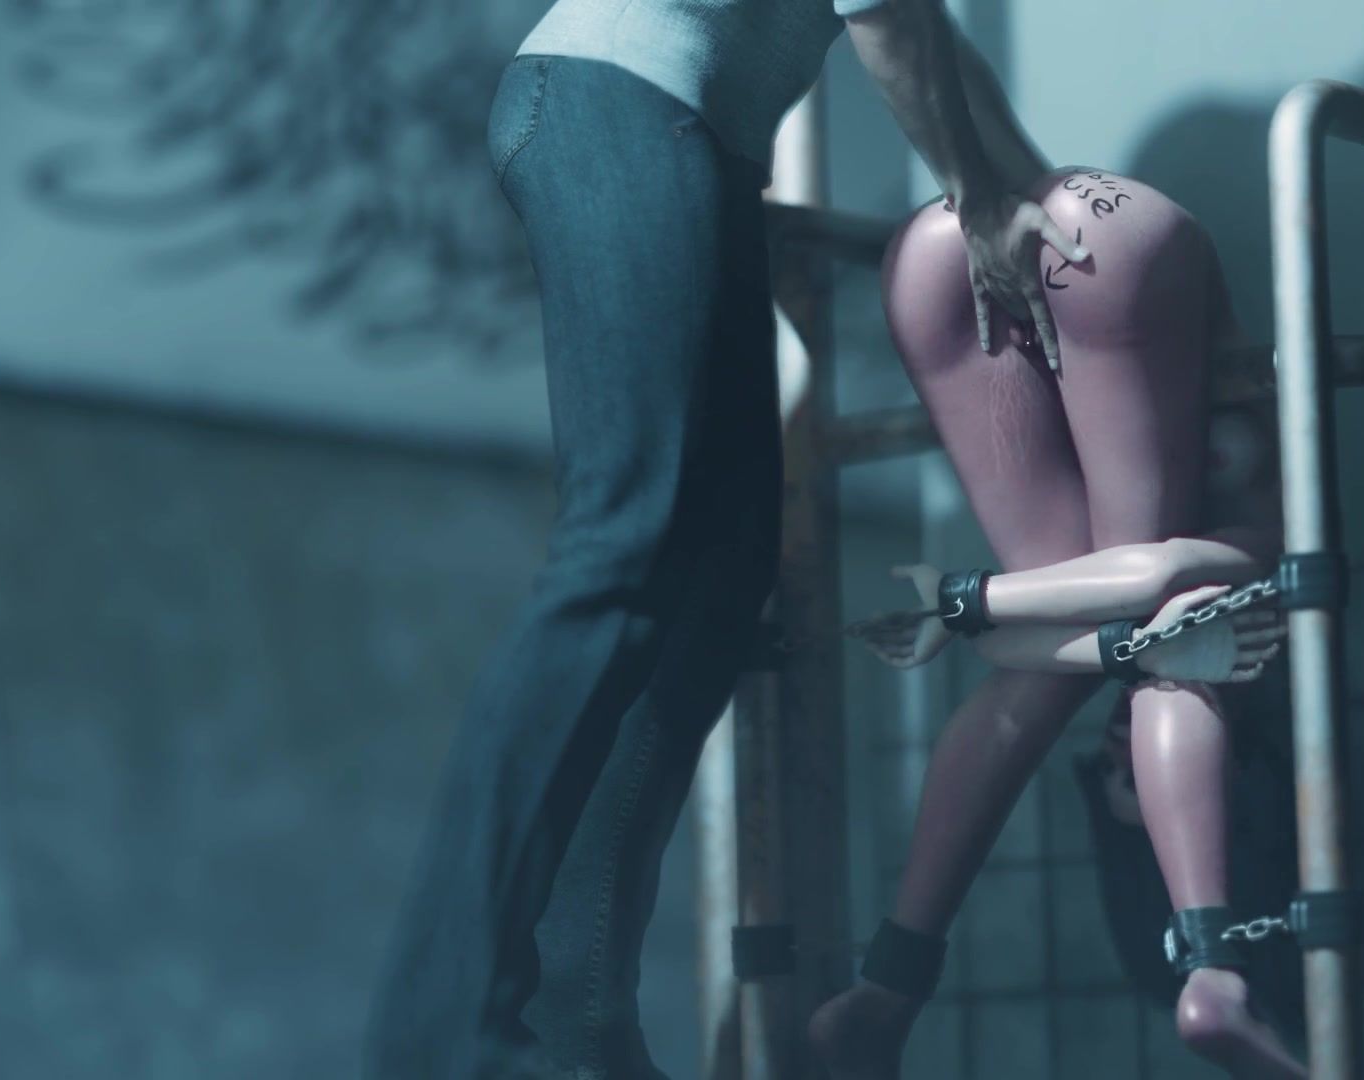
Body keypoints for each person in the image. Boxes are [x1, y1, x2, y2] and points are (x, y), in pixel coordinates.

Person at [361, 2, 1081, 1076]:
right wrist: (980, 203)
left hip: (682, 138)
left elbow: (926, 33)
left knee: (721, 573)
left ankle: (581, 1021)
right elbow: (886, 23)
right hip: (612, 107)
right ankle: (438, 1028)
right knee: (622, 544)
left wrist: (1042, 194)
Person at [808, 174, 1307, 1079]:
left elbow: (1045, 639)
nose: (1121, 751)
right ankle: (1211, 965)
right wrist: (966, 605)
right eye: (1135, 772)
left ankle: (888, 985)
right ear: (1239, 763)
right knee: (1167, 641)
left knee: (1095, 653)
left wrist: (972, 609)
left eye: (1108, 771)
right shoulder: (1259, 583)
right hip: (1094, 239)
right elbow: (1147, 579)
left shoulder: (1147, 628)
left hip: (946, 249)